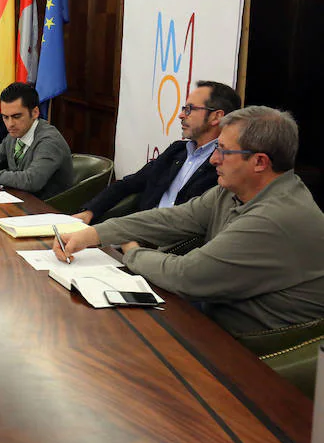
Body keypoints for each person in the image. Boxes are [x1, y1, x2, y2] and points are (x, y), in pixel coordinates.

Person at [54, 106, 324, 335]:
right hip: (212, 313)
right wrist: (94, 234)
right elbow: (171, 219)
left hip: (251, 344)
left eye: (224, 151)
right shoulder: (232, 190)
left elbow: (186, 276)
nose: (214, 159)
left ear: (259, 162)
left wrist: (133, 252)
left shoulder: (273, 219)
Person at [75, 81, 241, 224]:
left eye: (190, 109)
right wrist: (89, 212)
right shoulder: (177, 151)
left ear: (216, 117)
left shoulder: (225, 165)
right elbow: (129, 184)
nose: (181, 115)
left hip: (171, 248)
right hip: (137, 233)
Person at [0, 82, 73, 198]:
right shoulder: (16, 134)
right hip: (19, 202)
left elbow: (31, 180)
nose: (10, 124)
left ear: (35, 113)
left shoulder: (50, 141)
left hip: (48, 209)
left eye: (16, 117)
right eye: (5, 117)